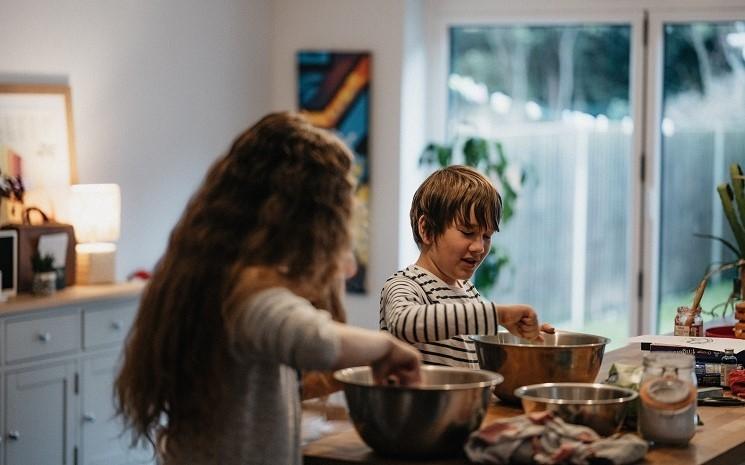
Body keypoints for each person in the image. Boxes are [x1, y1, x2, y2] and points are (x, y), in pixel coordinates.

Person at [114, 112, 421, 465]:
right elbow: (314, 340)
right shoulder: (246, 295)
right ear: (303, 220)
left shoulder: (210, 273)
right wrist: (387, 348)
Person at [380, 165, 553, 368]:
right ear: (426, 229)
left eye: (487, 236)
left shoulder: (470, 293)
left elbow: (478, 330)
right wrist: (499, 315)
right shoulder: (405, 285)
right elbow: (403, 323)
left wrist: (525, 335)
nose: (480, 247)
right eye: (467, 232)